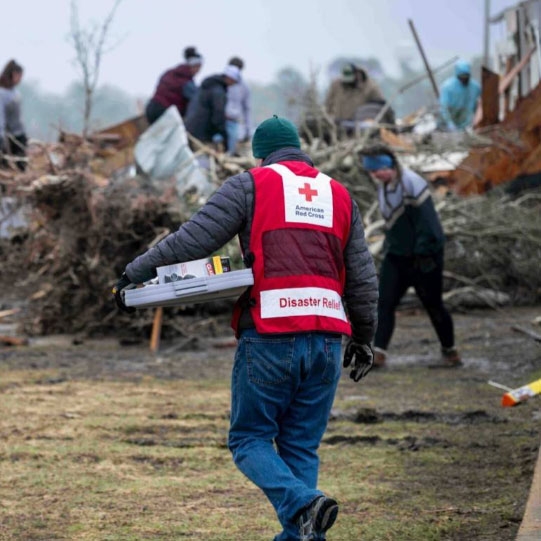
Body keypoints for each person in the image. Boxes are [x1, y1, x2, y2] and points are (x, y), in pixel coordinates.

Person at [113, 115, 379, 540]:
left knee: (249, 439)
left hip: (271, 335)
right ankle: (303, 528)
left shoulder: (249, 185)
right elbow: (363, 276)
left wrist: (135, 272)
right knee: (300, 446)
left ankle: (303, 503)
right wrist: (364, 338)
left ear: (261, 153)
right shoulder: (339, 194)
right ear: (300, 150)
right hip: (329, 337)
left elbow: (193, 240)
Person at [358, 144, 461, 369]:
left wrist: (425, 255)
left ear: (390, 165)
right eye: (372, 172)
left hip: (424, 258)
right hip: (397, 256)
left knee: (433, 305)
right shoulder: (384, 186)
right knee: (385, 302)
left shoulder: (412, 184)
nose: (376, 175)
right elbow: (392, 224)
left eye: (378, 170)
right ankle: (379, 352)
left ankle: (450, 351)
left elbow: (430, 226)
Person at [325, 63, 394, 137]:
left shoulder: (370, 87)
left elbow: (382, 106)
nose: (348, 83)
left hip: (359, 126)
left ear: (357, 75)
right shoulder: (336, 85)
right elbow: (328, 104)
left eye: (350, 81)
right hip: (338, 125)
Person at [184, 64, 241, 151]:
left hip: (189, 128)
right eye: (234, 82)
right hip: (201, 134)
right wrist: (225, 139)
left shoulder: (206, 86)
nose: (233, 85)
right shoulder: (218, 92)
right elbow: (218, 117)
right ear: (230, 79)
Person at [145, 46, 203, 125]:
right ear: (194, 66)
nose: (199, 71)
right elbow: (197, 101)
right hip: (165, 114)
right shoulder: (187, 83)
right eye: (199, 67)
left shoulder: (169, 73)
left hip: (151, 108)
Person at [0, 60, 27, 171]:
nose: (20, 79)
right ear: (13, 74)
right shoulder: (2, 93)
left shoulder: (15, 92)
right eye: (19, 76)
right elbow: (0, 115)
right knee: (4, 166)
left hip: (19, 134)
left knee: (21, 165)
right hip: (6, 136)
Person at [439, 59, 481, 131]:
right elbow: (444, 107)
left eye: (466, 77)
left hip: (469, 124)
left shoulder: (475, 87)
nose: (464, 79)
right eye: (462, 77)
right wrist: (449, 123)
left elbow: (480, 104)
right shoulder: (448, 87)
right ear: (457, 75)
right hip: (452, 122)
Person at [224, 56, 252, 155]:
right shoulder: (221, 83)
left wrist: (248, 131)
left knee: (231, 152)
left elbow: (246, 109)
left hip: (234, 124)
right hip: (220, 121)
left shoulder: (244, 87)